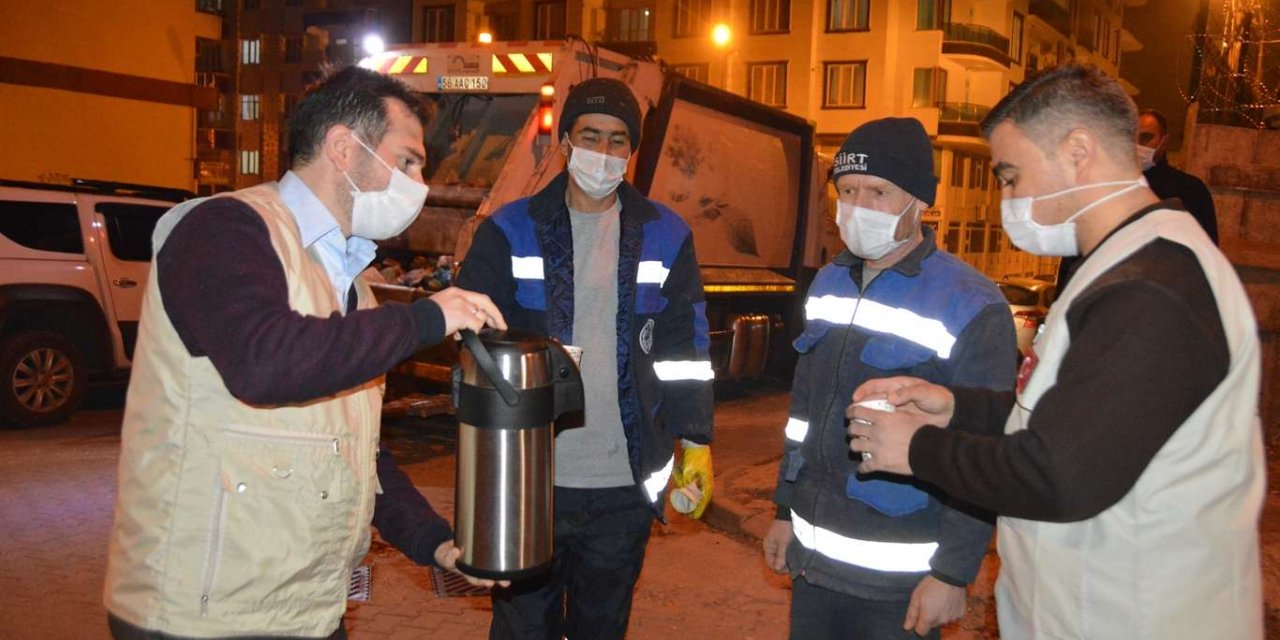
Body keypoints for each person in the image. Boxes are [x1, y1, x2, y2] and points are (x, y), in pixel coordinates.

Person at [849, 64, 1263, 639]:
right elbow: (1072, 420)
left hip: (1136, 620)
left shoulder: (1152, 286)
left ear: (1078, 151)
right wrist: (954, 407)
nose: (1007, 198)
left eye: (1012, 176)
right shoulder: (1122, 267)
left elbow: (1061, 474)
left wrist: (918, 448)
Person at [103, 66, 508, 640]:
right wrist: (429, 316)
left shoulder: (351, 283)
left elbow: (356, 452)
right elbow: (264, 363)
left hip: (303, 611)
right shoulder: (225, 229)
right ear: (344, 147)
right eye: (409, 160)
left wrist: (436, 543)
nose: (419, 183)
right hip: (200, 613)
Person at [456, 77, 715, 640]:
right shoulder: (509, 228)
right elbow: (470, 339)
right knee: (523, 629)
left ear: (632, 150)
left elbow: (685, 349)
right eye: (590, 135)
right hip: (529, 481)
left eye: (618, 140)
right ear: (567, 141)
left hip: (622, 484)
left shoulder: (666, 234)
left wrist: (695, 439)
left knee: (602, 627)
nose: (603, 151)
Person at [761, 117, 1017, 640]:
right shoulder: (829, 282)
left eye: (878, 191)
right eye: (848, 190)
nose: (858, 206)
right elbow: (803, 415)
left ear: (918, 202)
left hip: (901, 581)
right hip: (814, 563)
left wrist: (952, 573)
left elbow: (983, 448)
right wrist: (784, 510)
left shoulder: (970, 303)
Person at [1058, 107, 1220, 288]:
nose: (1137, 146)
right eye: (1131, 139)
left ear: (1164, 141)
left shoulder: (1190, 191)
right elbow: (1075, 253)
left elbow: (1206, 259)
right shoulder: (1104, 188)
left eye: (1145, 138)